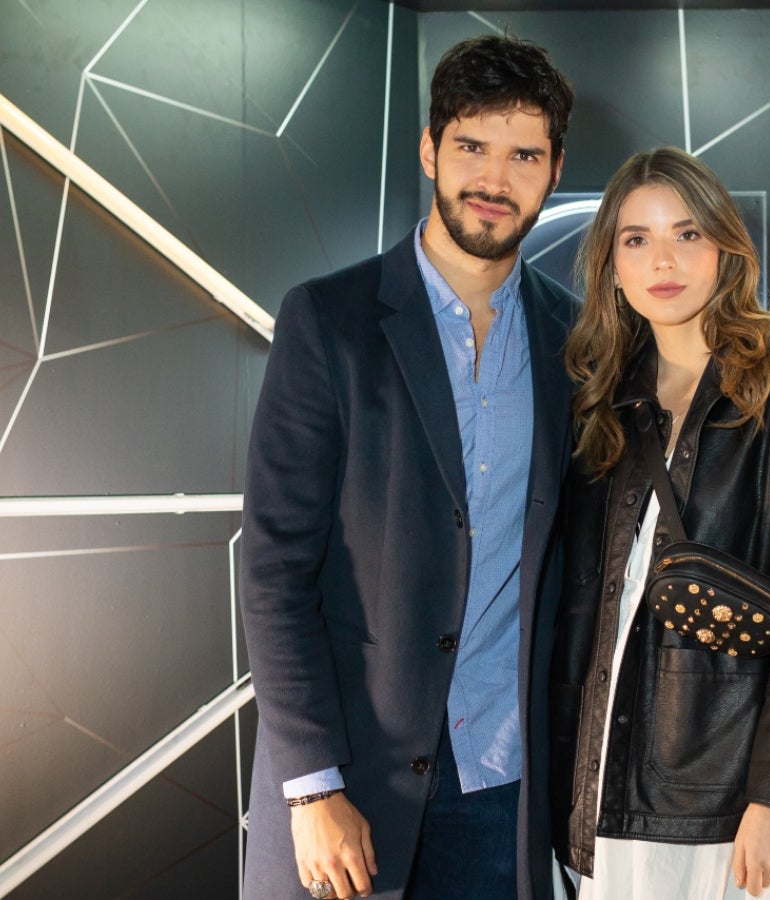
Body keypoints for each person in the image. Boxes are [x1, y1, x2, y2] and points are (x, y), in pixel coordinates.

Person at [239, 35, 575, 900]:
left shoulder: (576, 341)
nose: (494, 179)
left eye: (523, 155)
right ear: (429, 149)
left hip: (503, 784)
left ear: (553, 170)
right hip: (351, 780)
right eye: (471, 146)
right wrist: (311, 785)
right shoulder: (329, 320)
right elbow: (275, 568)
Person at [549, 147, 770, 900]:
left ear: (725, 249)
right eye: (637, 239)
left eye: (687, 234)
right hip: (595, 781)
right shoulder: (600, 404)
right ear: (611, 267)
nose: (664, 259)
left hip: (723, 794)